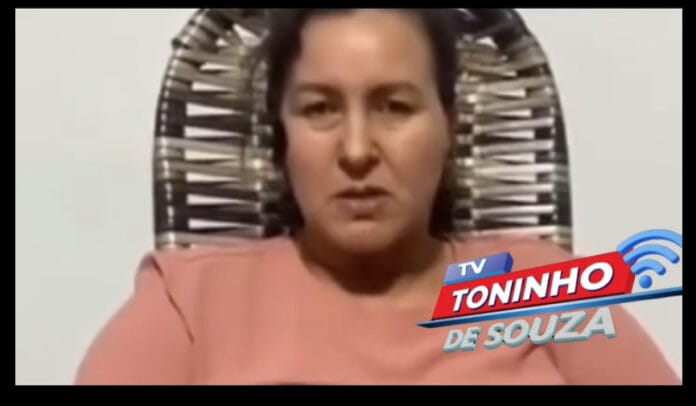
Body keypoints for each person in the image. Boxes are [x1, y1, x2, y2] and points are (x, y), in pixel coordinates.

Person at [75, 9, 680, 385]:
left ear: (448, 126)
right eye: (320, 109)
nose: (358, 149)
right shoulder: (189, 303)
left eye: (394, 106)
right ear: (281, 133)